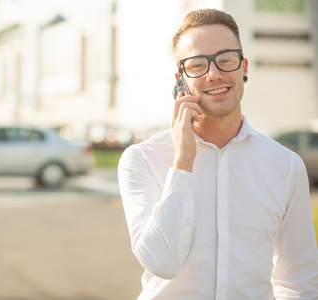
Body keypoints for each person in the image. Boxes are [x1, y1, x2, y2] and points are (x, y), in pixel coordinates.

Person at [118, 8, 318, 299]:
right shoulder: (142, 160)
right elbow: (161, 262)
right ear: (181, 79)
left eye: (226, 60)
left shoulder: (286, 166)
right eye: (197, 65)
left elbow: (298, 281)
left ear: (244, 67)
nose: (214, 74)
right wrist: (183, 161)